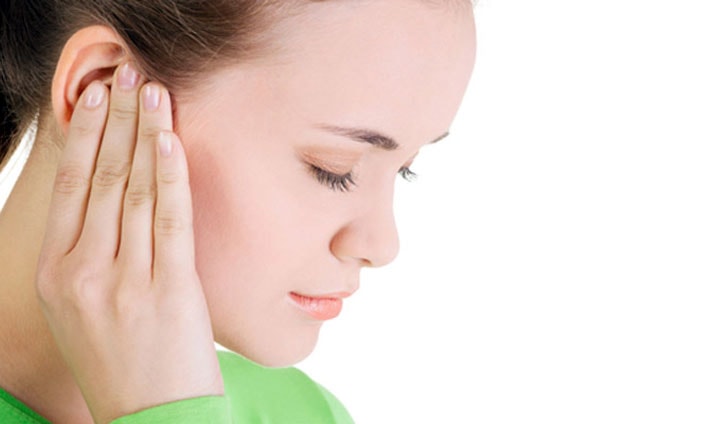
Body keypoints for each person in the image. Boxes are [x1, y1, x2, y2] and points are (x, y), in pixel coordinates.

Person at [0, 0, 477, 422]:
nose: (382, 245)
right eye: (334, 169)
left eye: (405, 170)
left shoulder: (302, 414)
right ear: (101, 89)